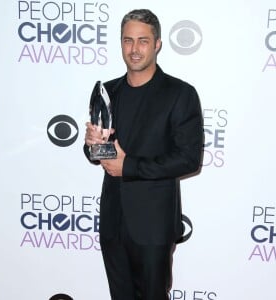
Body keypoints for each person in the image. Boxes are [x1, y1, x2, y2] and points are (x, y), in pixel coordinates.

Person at [84, 8, 203, 300]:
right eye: (128, 41)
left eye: (143, 41)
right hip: (113, 223)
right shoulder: (107, 91)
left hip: (153, 227)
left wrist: (130, 166)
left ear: (157, 44)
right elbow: (100, 154)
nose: (134, 49)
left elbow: (188, 158)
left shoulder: (180, 93)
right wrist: (92, 145)